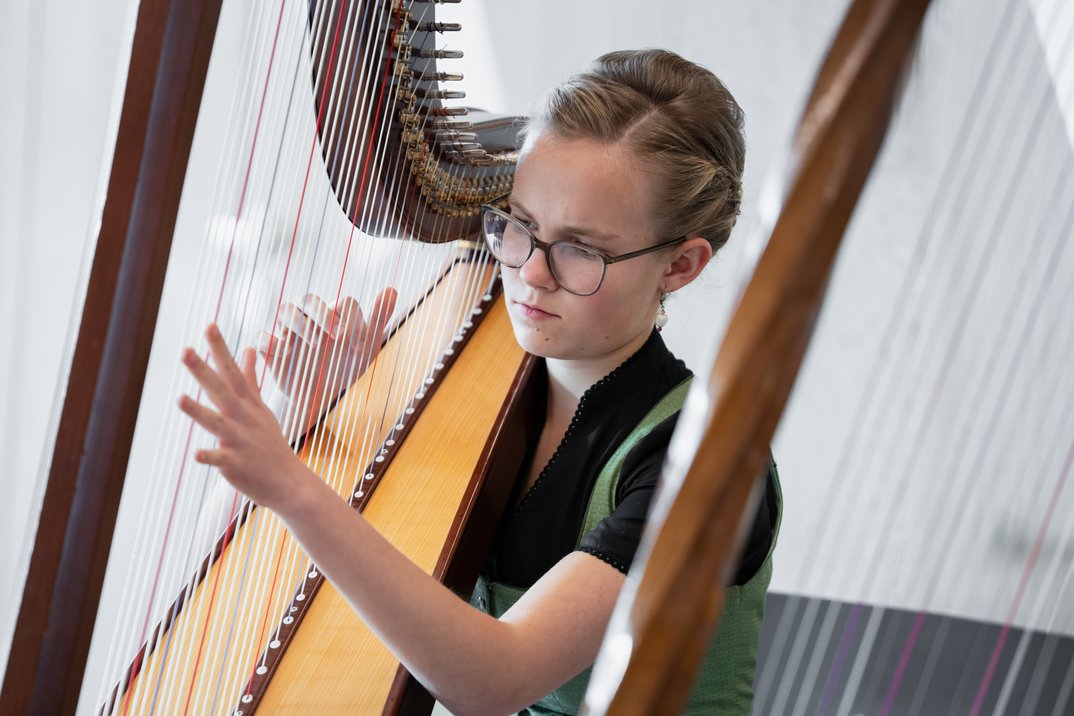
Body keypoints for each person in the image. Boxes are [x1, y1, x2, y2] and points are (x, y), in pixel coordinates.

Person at [179, 48, 780, 715]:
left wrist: (296, 487)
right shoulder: (478, 408)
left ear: (681, 265)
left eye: (580, 248)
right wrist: (326, 422)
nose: (530, 273)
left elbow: (495, 680)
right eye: (520, 226)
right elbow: (243, 591)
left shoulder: (706, 467)